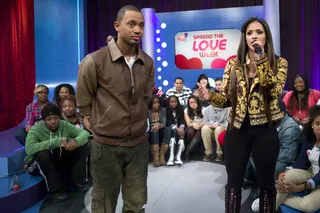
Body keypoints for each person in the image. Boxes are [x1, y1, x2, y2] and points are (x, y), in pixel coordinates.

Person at [196, 17, 288, 212]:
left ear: (267, 37)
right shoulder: (233, 64)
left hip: (265, 132)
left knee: (266, 184)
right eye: (249, 33)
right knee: (233, 184)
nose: (254, 36)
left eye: (259, 32)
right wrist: (209, 96)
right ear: (244, 38)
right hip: (236, 131)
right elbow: (226, 100)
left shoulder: (279, 63)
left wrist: (261, 60)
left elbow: (274, 92)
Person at [76, 5, 154, 213]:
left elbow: (146, 97)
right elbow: (84, 100)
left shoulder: (147, 62)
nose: (137, 30)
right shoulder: (94, 61)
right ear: (117, 26)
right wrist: (96, 124)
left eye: (141, 25)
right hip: (106, 147)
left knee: (136, 204)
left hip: (138, 144)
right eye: (131, 24)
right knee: (103, 205)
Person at [253, 105, 320, 212]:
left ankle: (274, 197)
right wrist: (284, 172)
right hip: (311, 172)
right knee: (287, 176)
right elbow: (301, 162)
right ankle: (271, 204)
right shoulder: (309, 139)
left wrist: (301, 187)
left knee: (308, 207)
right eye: (317, 124)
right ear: (312, 124)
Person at [24, 104, 90, 202]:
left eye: (55, 118)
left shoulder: (64, 125)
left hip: (56, 159)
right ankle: (55, 191)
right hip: (35, 164)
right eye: (49, 119)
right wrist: (54, 142)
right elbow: (29, 149)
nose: (53, 121)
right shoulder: (35, 130)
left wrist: (76, 141)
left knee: (83, 146)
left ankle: (78, 181)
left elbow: (85, 133)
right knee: (43, 154)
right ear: (44, 120)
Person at [244, 100, 301, 189]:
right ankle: (251, 180)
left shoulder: (291, 128)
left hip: (284, 160)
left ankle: (267, 189)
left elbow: (287, 155)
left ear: (281, 113)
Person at [148, 96, 168, 167]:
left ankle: (162, 155)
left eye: (158, 103)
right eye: (154, 103)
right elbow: (147, 123)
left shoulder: (163, 110)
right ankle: (155, 157)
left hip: (161, 128)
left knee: (168, 129)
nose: (156, 104)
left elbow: (164, 123)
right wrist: (154, 125)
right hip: (152, 129)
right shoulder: (148, 111)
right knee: (154, 130)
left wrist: (159, 125)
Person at [165, 95, 186, 166]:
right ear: (169, 103)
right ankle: (171, 157)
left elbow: (183, 120)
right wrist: (177, 128)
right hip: (172, 128)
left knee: (182, 132)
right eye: (171, 102)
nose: (173, 103)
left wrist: (181, 128)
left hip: (180, 127)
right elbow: (168, 121)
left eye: (175, 102)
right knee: (174, 131)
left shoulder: (180, 109)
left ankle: (178, 157)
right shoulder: (167, 110)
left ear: (177, 102)